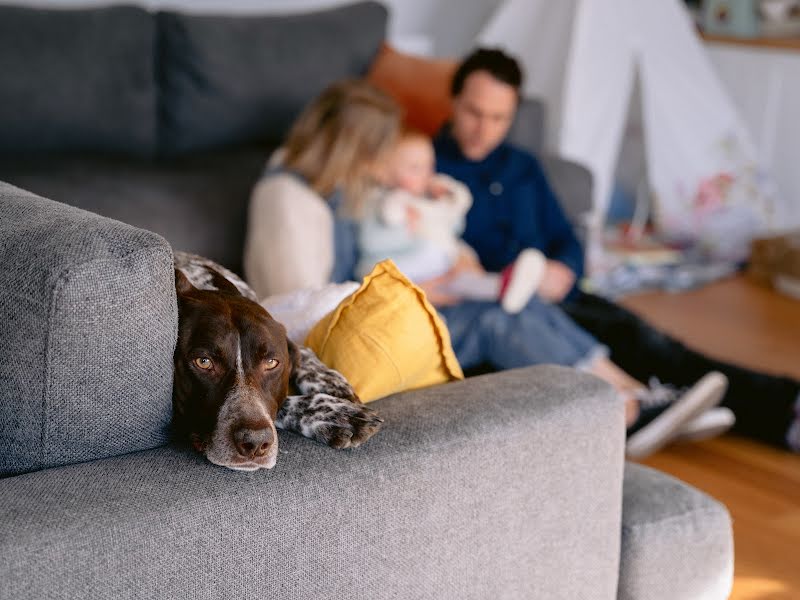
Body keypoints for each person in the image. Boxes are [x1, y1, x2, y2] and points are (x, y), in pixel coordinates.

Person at [244, 78, 731, 460]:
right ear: (354, 146)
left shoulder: (338, 187)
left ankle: (634, 396)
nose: (387, 164)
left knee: (509, 300)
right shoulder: (288, 197)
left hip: (373, 316)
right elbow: (299, 310)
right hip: (337, 346)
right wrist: (420, 291)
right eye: (379, 151)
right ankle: (628, 408)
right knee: (497, 317)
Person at [431, 47, 800, 452]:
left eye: (499, 118)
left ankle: (778, 407)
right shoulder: (426, 172)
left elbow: (566, 239)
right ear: (453, 101)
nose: (484, 129)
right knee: (647, 351)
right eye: (474, 113)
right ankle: (773, 411)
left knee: (655, 344)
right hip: (514, 314)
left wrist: (565, 270)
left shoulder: (524, 167)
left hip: (565, 298)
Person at [356, 128, 544, 314]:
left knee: (463, 277)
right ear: (385, 172)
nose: (426, 175)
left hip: (439, 270)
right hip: (400, 273)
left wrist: (448, 200)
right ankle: (501, 287)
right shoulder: (379, 203)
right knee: (457, 276)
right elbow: (371, 243)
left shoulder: (425, 200)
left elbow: (454, 226)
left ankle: (503, 287)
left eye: (429, 166)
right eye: (415, 168)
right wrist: (404, 228)